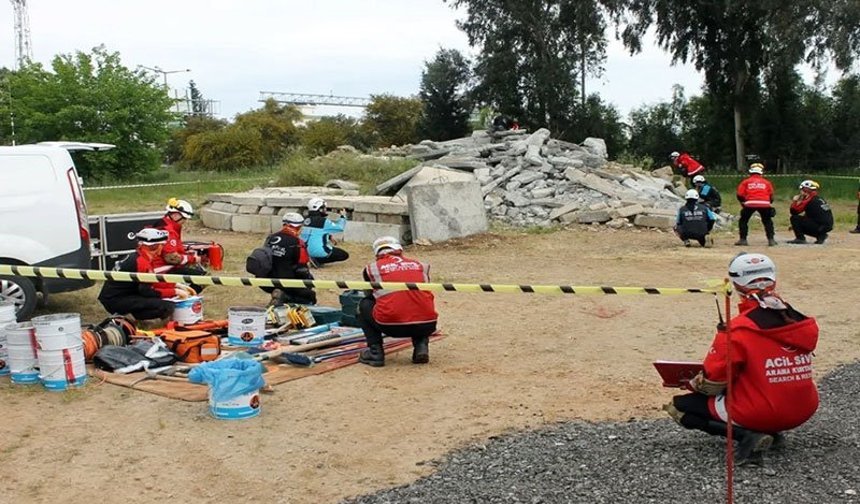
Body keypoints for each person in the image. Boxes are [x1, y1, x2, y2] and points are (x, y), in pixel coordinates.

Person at [663, 252, 819, 465]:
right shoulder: (801, 321)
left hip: (763, 410)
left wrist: (691, 384)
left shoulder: (737, 330)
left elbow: (713, 380)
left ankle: (748, 436)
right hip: (804, 408)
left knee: (680, 406)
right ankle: (773, 432)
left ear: (735, 284)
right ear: (774, 279)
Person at [357, 236, 438, 367]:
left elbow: (370, 295)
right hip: (427, 325)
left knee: (364, 305)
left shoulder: (372, 269)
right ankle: (421, 347)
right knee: (419, 303)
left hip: (391, 326)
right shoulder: (421, 266)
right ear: (399, 249)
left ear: (377, 253)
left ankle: (375, 352)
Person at [98, 229, 195, 321]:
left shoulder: (139, 256)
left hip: (116, 297)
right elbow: (147, 292)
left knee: (160, 299)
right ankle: (131, 318)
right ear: (155, 246)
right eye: (161, 245)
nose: (163, 248)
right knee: (166, 306)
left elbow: (150, 282)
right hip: (118, 300)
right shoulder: (142, 262)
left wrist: (176, 285)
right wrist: (175, 291)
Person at [151, 198, 209, 290]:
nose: (185, 222)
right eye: (184, 218)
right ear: (176, 215)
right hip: (162, 269)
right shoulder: (168, 231)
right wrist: (194, 259)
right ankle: (183, 297)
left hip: (157, 267)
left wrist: (185, 252)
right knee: (203, 279)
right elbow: (171, 258)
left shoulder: (163, 224)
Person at [263, 212, 316, 306]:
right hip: (287, 282)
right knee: (310, 296)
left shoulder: (271, 238)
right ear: (298, 227)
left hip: (265, 281)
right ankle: (286, 297)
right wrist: (309, 282)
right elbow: (302, 270)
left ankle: (279, 293)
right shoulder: (298, 243)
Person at [735, 163, 777, 247]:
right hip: (765, 203)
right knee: (767, 221)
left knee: (743, 220)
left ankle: (743, 239)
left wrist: (743, 202)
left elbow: (740, 194)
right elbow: (771, 195)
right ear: (761, 173)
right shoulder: (767, 182)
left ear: (750, 173)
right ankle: (771, 240)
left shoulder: (746, 182)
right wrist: (768, 203)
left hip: (750, 203)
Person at [300, 197, 349, 266]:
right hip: (319, 251)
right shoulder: (324, 221)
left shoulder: (305, 220)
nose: (325, 210)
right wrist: (343, 216)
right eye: (324, 208)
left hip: (304, 251)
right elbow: (340, 228)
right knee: (344, 255)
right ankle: (317, 260)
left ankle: (310, 258)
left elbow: (314, 233)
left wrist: (329, 236)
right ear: (320, 209)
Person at [787, 180, 834, 245]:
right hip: (827, 226)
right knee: (800, 221)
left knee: (794, 218)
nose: (800, 192)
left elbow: (794, 211)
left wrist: (795, 201)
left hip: (820, 225)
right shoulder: (819, 198)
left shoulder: (809, 199)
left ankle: (800, 238)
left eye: (801, 189)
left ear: (806, 190)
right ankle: (821, 236)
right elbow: (812, 214)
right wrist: (795, 226)